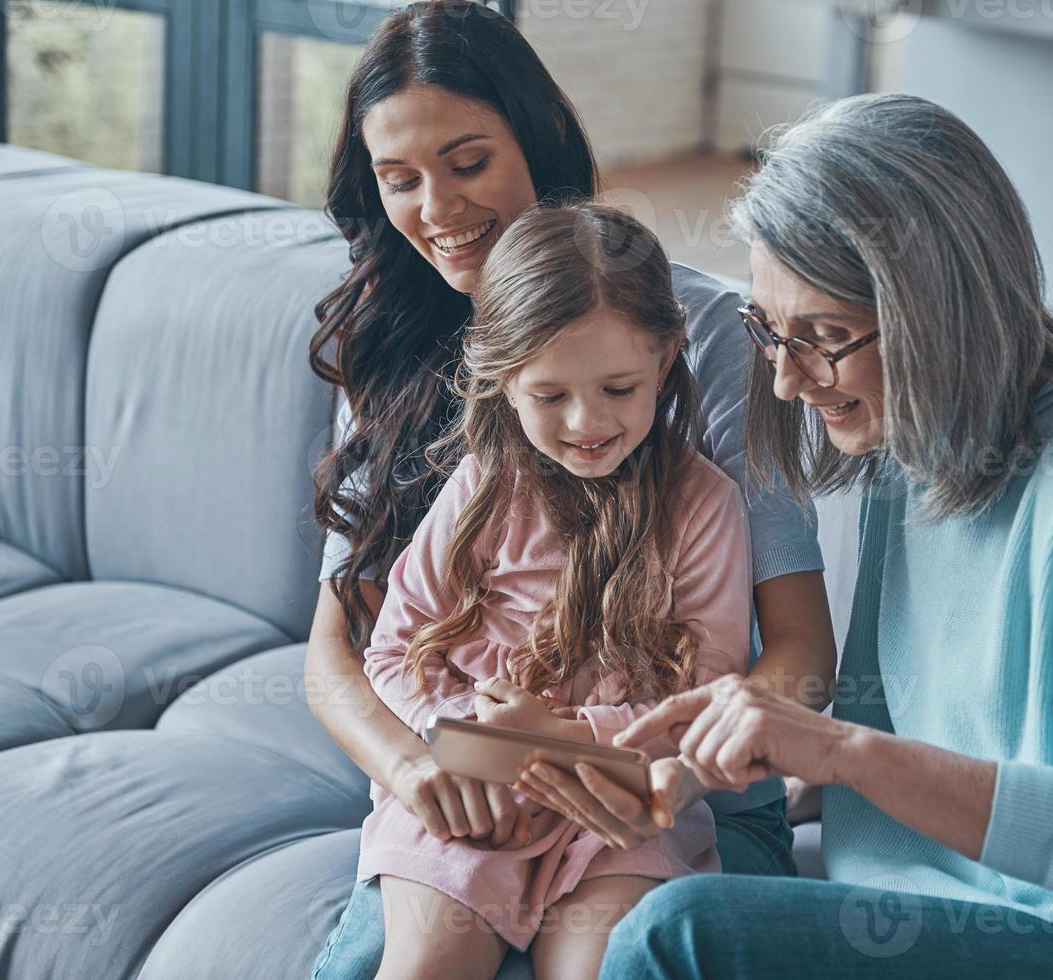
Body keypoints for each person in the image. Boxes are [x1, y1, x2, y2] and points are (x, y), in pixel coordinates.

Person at [532, 94, 1053, 980]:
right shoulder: (910, 446)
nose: (789, 379)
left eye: (825, 337)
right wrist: (723, 770)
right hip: (956, 912)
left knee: (678, 932)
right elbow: (932, 743)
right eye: (770, 332)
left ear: (934, 310)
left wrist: (838, 751)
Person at [305, 4, 835, 978]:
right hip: (465, 785)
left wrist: (633, 759)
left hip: (663, 799)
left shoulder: (708, 338)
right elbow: (343, 651)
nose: (437, 207)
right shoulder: (391, 348)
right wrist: (429, 764)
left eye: (468, 163)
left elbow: (797, 653)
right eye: (400, 179)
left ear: (538, 138)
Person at [353, 202, 754, 979]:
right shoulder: (482, 489)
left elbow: (710, 695)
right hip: (474, 796)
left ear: (667, 357)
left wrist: (569, 735)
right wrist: (473, 737)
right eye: (549, 396)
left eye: (617, 387)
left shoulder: (704, 506)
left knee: (597, 966)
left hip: (619, 808)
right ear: (503, 380)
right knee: (426, 963)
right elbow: (393, 651)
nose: (586, 422)